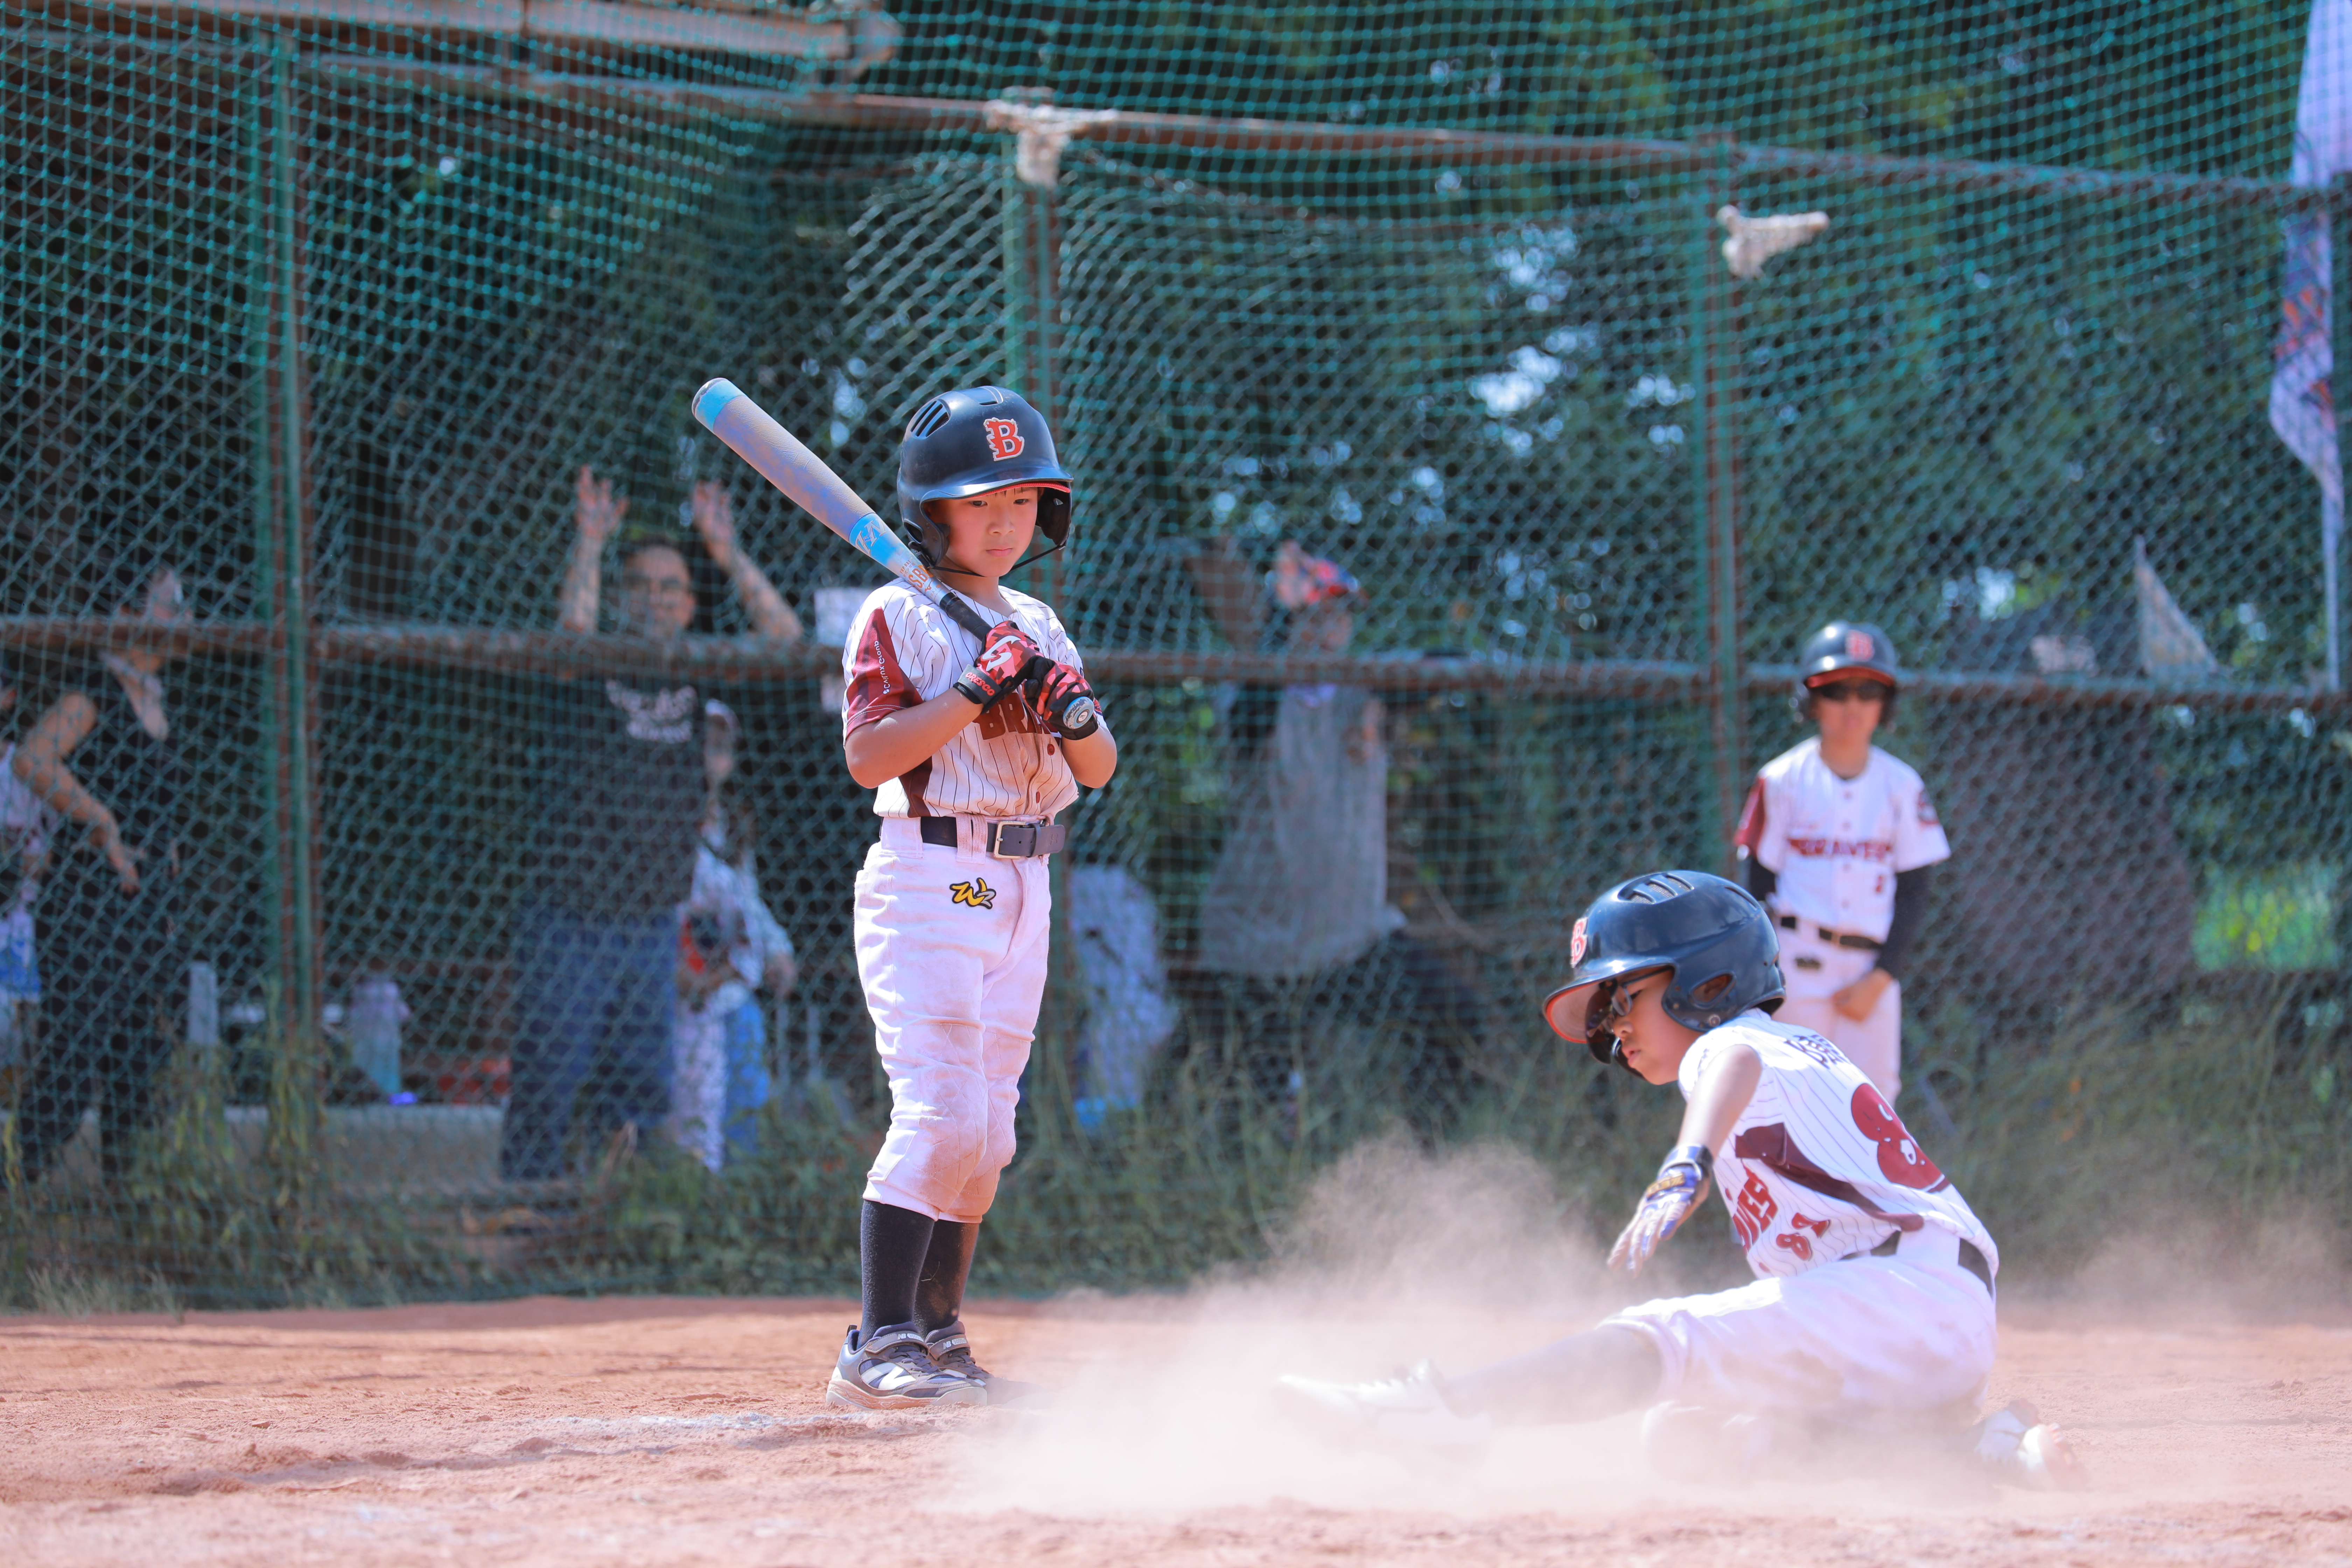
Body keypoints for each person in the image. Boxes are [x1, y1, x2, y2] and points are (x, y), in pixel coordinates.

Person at [1274, 870, 2083, 1491]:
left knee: (1668, 1337)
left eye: (1623, 997)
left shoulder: (1738, 1043)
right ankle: (1978, 1453)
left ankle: (1442, 1408)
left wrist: (1686, 1161)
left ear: (1709, 984)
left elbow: (1726, 1058)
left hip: (1906, 1293)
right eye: (1604, 1019)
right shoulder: (1798, 1058)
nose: (1614, 1030)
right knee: (1690, 1439)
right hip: (1922, 1315)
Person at [827, 385, 1117, 1410]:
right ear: (931, 513)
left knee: (989, 1133)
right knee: (942, 1107)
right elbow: (868, 759)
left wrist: (1064, 703)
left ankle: (939, 1331)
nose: (1002, 523)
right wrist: (973, 692)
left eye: (1021, 502)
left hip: (1023, 878)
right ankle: (879, 1335)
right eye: (978, 503)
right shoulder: (897, 613)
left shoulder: (1038, 622)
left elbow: (1098, 768)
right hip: (932, 869)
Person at [499, 468, 712, 1183]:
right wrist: (590, 541)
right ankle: (527, 1211)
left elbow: (786, 636)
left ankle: (627, 1218)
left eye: (671, 588)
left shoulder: (700, 668)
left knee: (642, 1094)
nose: (656, 599)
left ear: (689, 606)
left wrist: (726, 549)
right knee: (549, 1080)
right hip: (570, 914)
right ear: (621, 597)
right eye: (642, 585)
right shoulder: (593, 667)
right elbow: (572, 637)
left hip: (651, 919)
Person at [8, 560, 189, 1181]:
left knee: (140, 1058)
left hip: (147, 905)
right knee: (75, 1053)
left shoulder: (165, 703)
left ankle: (126, 1194)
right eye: (169, 602)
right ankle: (18, 1179)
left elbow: (167, 818)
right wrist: (101, 820)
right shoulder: (94, 694)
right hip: (91, 899)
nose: (183, 616)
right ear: (125, 616)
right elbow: (33, 758)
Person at [1734, 622, 1949, 1100]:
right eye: (1836, 691)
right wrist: (1765, 978)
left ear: (1886, 702)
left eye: (1868, 690)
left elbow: (1915, 891)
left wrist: (1883, 975)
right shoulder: (1783, 779)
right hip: (1796, 965)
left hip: (1870, 970)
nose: (1852, 705)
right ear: (1810, 700)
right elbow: (1756, 888)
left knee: (1873, 1109)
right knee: (1794, 1100)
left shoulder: (1902, 786)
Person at [667, 698, 794, 1172]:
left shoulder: (733, 824)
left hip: (731, 986)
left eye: (722, 747)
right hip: (681, 992)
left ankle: (737, 1203)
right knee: (688, 1119)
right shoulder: (657, 818)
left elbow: (748, 899)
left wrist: (778, 948)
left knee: (743, 1108)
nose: (712, 757)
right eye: (704, 745)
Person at [0, 656, 61, 1076]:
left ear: (9, 697)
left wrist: (16, 856)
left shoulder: (23, 770)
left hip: (20, 919)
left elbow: (47, 857)